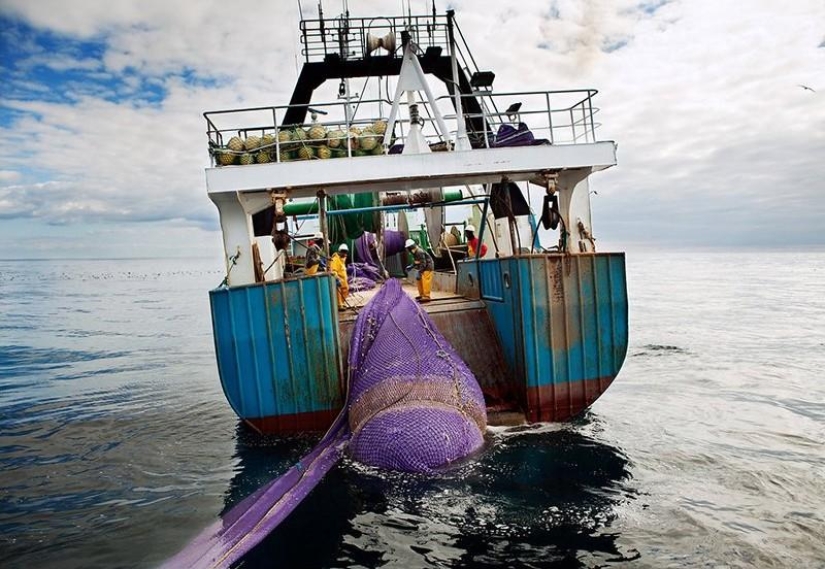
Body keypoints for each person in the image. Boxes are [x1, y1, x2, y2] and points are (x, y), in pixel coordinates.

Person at [405, 238, 434, 303]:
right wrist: (412, 266)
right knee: (419, 281)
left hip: (427, 268)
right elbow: (417, 262)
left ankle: (426, 296)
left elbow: (424, 263)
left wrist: (419, 271)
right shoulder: (415, 253)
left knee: (425, 281)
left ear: (411, 247)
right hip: (422, 268)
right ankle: (422, 295)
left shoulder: (419, 252)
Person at [329, 243, 349, 310]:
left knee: (345, 290)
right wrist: (337, 279)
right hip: (339, 280)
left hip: (344, 280)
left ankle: (342, 303)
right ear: (341, 251)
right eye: (344, 253)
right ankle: (339, 305)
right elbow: (333, 270)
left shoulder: (342, 259)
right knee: (338, 293)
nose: (345, 255)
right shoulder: (335, 259)